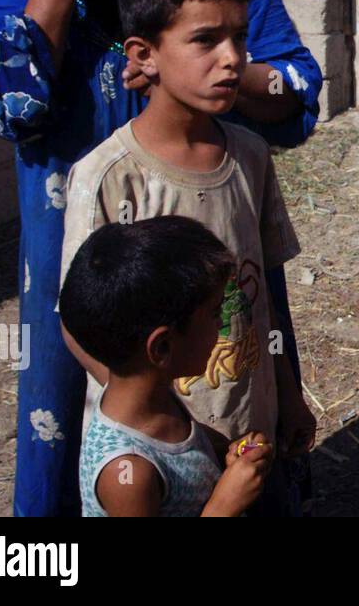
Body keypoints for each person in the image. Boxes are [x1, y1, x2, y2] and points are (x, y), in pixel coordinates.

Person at [0, 0, 322, 516]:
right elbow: (1, 105)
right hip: (80, 251)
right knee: (87, 434)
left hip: (214, 237)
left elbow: (298, 89)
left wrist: (221, 70)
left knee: (233, 425)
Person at [58, 0, 314, 516]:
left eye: (240, 40)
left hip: (250, 431)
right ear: (144, 56)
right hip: (163, 456)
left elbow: (263, 298)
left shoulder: (248, 155)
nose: (231, 60)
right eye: (205, 41)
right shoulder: (107, 177)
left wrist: (288, 395)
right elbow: (77, 319)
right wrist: (170, 419)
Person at [62, 216, 274, 517]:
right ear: (161, 347)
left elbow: (182, 452)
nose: (222, 326)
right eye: (215, 314)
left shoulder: (149, 398)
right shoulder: (128, 475)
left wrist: (222, 449)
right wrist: (224, 506)